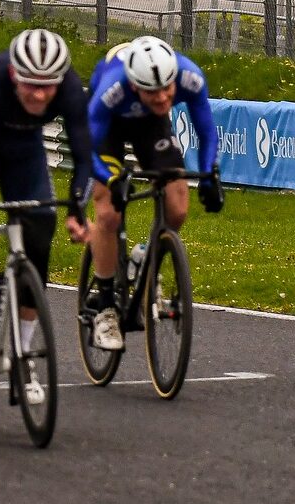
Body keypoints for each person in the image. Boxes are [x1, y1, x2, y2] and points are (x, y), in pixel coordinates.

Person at [0, 28, 93, 405]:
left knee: (40, 239)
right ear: (14, 75)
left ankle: (23, 356)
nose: (41, 94)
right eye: (31, 85)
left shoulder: (70, 89)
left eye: (48, 86)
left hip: (24, 151)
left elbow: (85, 159)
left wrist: (78, 207)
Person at [85, 35, 224, 351]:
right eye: (153, 90)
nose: (163, 97)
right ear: (135, 86)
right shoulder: (112, 87)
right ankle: (106, 306)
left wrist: (209, 176)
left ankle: (145, 254)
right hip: (108, 130)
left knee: (177, 207)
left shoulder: (189, 76)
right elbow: (86, 146)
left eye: (167, 88)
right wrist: (109, 178)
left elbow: (206, 132)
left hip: (151, 126)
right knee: (108, 211)